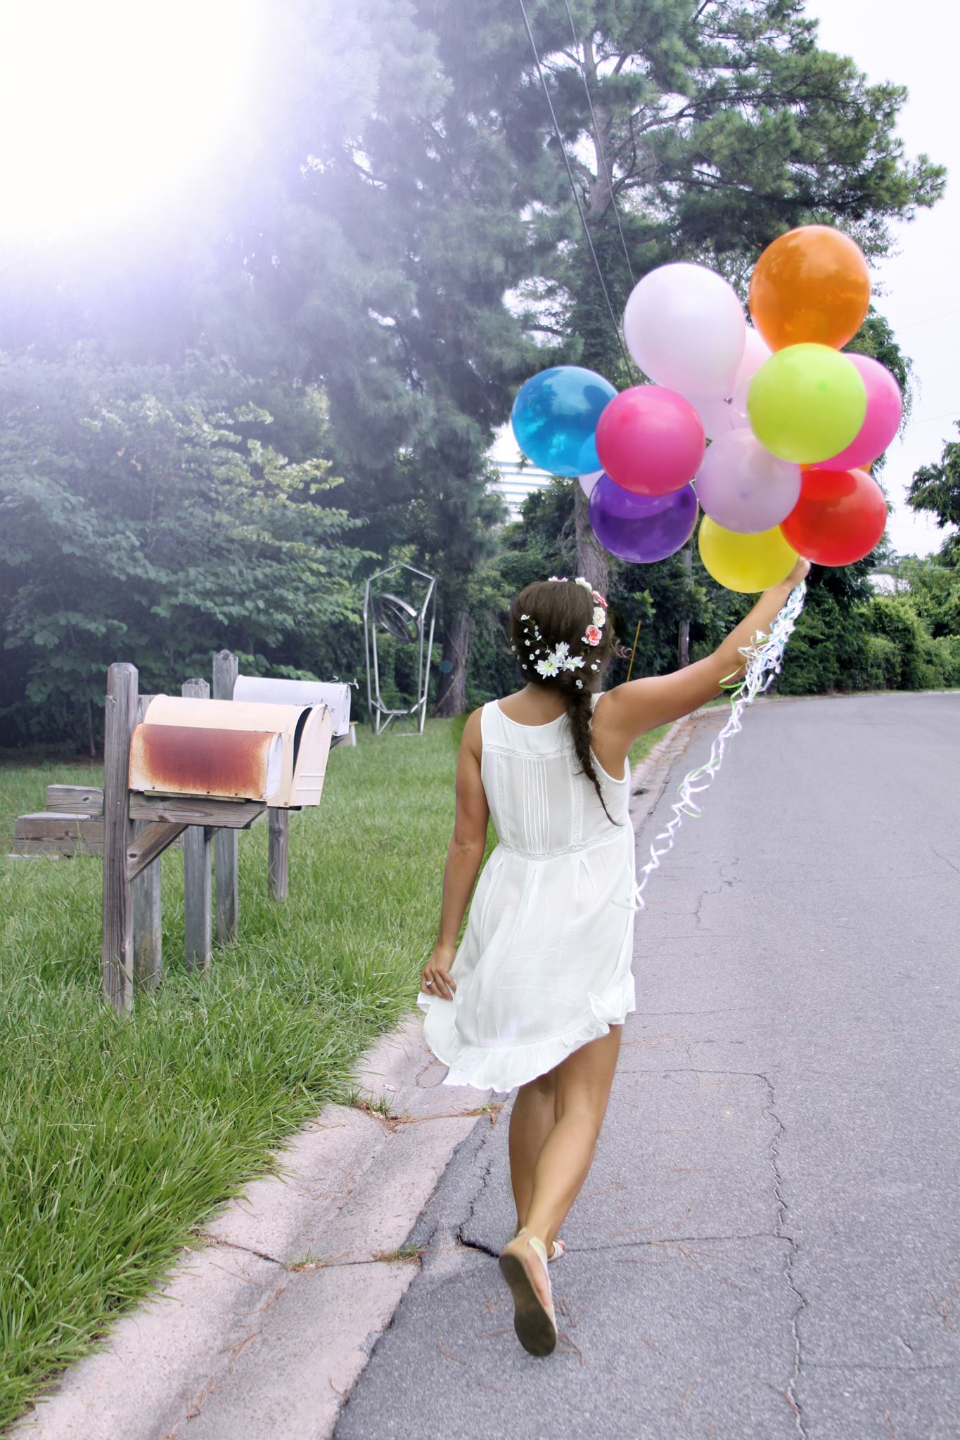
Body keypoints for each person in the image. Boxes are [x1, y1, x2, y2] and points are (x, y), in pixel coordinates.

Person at [417, 559, 810, 1356]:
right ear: (591, 643)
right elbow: (728, 661)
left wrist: (447, 940)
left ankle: (532, 1233)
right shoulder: (614, 714)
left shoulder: (481, 727)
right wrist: (788, 579)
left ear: (522, 645)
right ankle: (535, 1240)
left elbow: (467, 841)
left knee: (536, 1079)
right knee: (585, 1101)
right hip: (585, 924)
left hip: (511, 915)